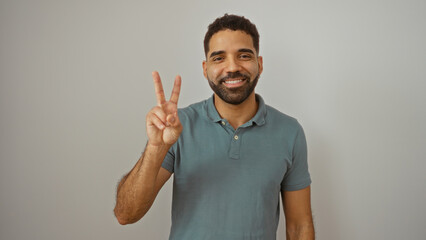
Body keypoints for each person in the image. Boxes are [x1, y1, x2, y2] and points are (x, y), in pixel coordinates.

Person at [114, 14, 315, 240]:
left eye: (244, 55)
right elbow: (125, 214)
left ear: (259, 64)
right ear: (205, 68)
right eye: (219, 58)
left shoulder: (290, 132)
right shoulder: (178, 126)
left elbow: (299, 227)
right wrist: (155, 147)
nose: (232, 67)